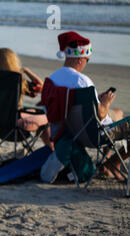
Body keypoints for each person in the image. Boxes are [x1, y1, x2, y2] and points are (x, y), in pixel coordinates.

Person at [48, 31, 129, 180]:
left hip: (70, 134)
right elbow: (101, 115)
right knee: (115, 116)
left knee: (116, 113)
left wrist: (94, 100)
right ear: (80, 59)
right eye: (87, 59)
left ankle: (107, 163)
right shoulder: (82, 81)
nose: (86, 62)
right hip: (95, 136)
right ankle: (113, 163)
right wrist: (105, 102)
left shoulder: (53, 79)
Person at [0, 48, 53, 149]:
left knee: (32, 111)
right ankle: (52, 149)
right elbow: (42, 87)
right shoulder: (18, 80)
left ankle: (51, 149)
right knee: (46, 118)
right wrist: (26, 70)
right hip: (14, 126)